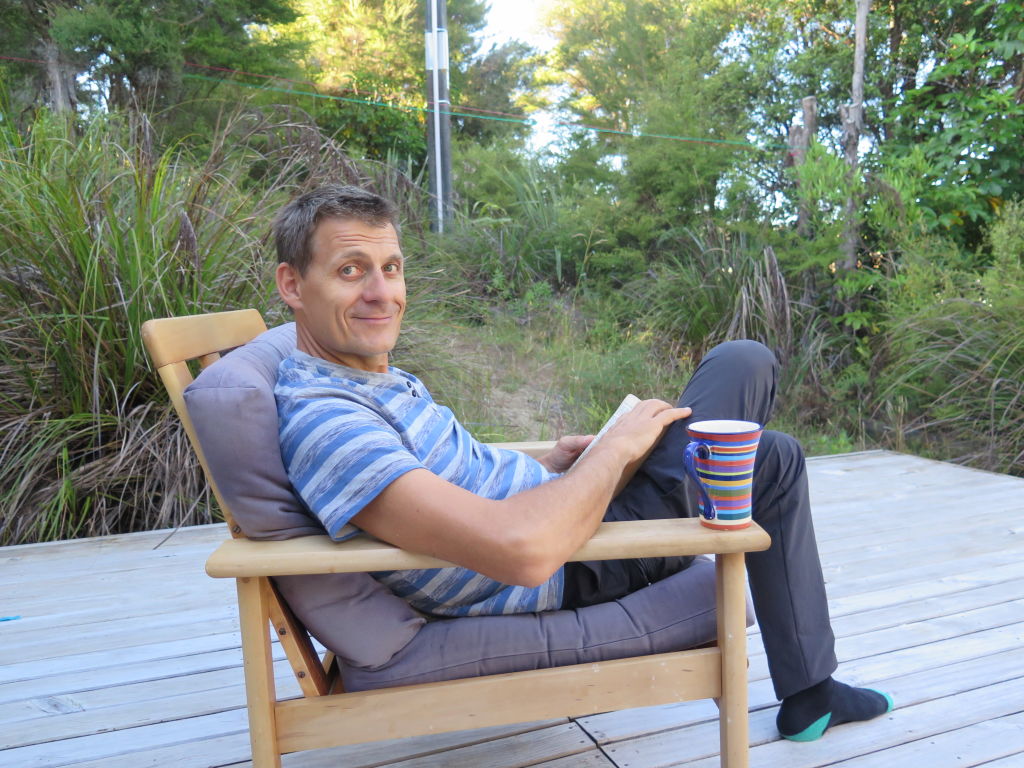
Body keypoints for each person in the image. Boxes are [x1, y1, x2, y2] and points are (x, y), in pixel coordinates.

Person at [272, 183, 894, 742]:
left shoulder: (367, 378)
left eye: (390, 268)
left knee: (754, 410)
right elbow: (521, 551)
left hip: (568, 506)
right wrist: (617, 450)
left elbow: (449, 486)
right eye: (352, 271)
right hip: (581, 558)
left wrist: (552, 464)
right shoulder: (331, 424)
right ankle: (811, 691)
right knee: (753, 386)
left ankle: (811, 693)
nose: (381, 293)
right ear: (293, 285)